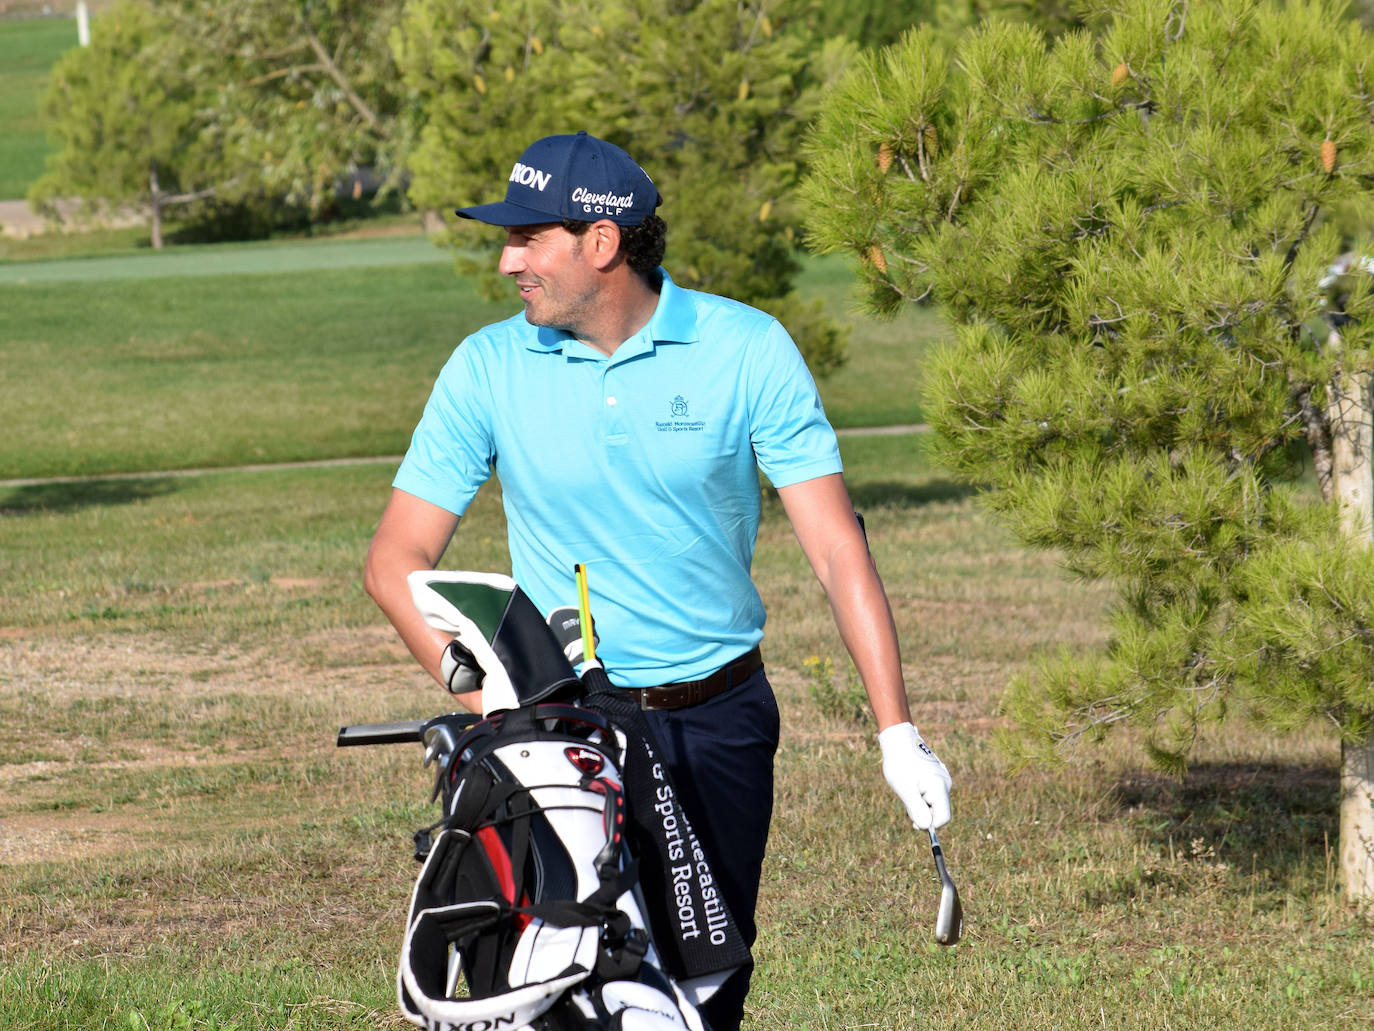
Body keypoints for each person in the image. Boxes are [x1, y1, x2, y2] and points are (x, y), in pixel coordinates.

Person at [363, 131, 953, 1031]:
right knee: (552, 992)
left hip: (716, 726)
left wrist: (897, 729)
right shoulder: (487, 364)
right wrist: (476, 690)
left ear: (602, 244)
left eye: (529, 237)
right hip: (559, 736)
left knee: (699, 994)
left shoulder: (745, 349)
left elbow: (838, 550)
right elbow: (395, 559)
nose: (506, 258)